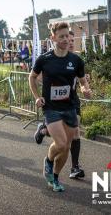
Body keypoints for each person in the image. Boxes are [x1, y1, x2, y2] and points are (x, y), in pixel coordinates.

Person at [29, 22, 91, 192]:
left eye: (67, 36)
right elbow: (32, 77)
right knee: (61, 144)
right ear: (53, 38)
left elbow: (83, 80)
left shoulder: (76, 60)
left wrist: (85, 88)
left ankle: (55, 177)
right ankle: (48, 160)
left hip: (70, 107)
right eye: (61, 36)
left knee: (66, 147)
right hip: (51, 108)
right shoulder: (44, 59)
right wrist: (37, 97)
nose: (65, 39)